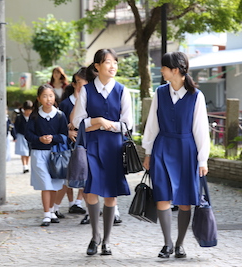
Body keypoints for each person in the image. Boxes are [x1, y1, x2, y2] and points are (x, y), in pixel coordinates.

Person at [142, 51, 210, 259]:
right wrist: (148, 152)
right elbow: (152, 126)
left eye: (163, 67)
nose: (160, 71)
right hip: (162, 148)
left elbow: (201, 129)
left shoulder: (196, 96)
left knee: (184, 201)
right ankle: (167, 244)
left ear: (176, 70)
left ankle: (180, 244)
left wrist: (203, 159)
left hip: (186, 150)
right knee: (162, 196)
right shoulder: (160, 93)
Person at [72, 48, 132, 256]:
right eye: (108, 62)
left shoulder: (123, 91)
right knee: (90, 192)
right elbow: (77, 121)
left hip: (114, 148)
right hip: (92, 147)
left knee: (111, 195)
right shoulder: (87, 90)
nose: (113, 65)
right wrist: (96, 121)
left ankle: (106, 240)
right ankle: (94, 236)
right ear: (97, 67)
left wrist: (107, 125)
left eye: (115, 62)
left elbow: (128, 125)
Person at [25, 84, 69, 227]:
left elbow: (64, 135)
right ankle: (46, 214)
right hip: (39, 154)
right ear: (39, 99)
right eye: (45, 96)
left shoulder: (60, 115)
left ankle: (51, 211)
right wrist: (39, 139)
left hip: (55, 155)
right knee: (45, 184)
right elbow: (28, 134)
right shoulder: (35, 115)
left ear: (54, 98)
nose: (48, 99)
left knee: (54, 185)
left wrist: (53, 138)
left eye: (51, 96)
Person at [53, 68, 88, 218]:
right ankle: (55, 207)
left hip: (85, 143)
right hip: (69, 146)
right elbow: (59, 125)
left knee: (85, 176)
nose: (81, 85)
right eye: (79, 82)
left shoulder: (91, 100)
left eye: (84, 81)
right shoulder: (66, 104)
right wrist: (68, 132)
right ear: (73, 84)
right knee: (67, 178)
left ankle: (80, 203)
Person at [14, 100, 34, 173]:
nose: (28, 112)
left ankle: (27, 165)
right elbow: (15, 127)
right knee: (23, 152)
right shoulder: (19, 117)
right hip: (21, 136)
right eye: (27, 110)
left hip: (30, 136)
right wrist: (14, 136)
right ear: (24, 110)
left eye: (30, 110)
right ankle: (24, 166)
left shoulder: (33, 118)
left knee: (28, 152)